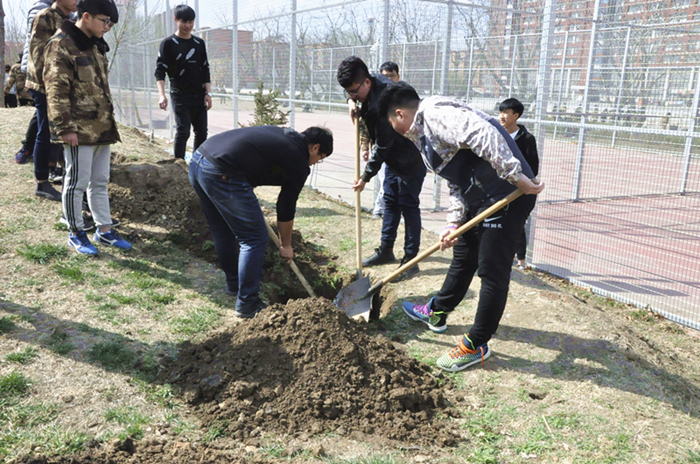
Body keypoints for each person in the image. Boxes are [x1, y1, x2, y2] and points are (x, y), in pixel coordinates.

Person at [380, 82, 544, 372]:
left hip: (507, 193)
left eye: (390, 122)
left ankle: (476, 344)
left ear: (399, 114)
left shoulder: (434, 113)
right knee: (464, 254)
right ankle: (438, 311)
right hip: (478, 198)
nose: (392, 128)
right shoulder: (422, 137)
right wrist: (454, 222)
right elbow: (455, 180)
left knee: (492, 270)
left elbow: (483, 132)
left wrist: (514, 175)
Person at [189, 126, 333, 318]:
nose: (316, 163)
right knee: (254, 238)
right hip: (222, 171)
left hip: (199, 160)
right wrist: (286, 245)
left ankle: (235, 285)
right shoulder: (298, 160)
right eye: (320, 158)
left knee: (222, 229)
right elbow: (286, 206)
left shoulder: (285, 135)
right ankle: (248, 303)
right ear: (315, 148)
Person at [44, 0, 130, 255]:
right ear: (87, 16)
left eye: (111, 23)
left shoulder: (95, 44)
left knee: (100, 181)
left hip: (100, 127)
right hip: (78, 130)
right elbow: (56, 90)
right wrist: (65, 127)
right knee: (76, 182)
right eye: (105, 21)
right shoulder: (61, 44)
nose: (108, 27)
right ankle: (76, 232)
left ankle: (104, 230)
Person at [337, 56, 426, 280]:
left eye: (354, 92)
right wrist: (351, 102)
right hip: (392, 161)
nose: (353, 96)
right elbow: (351, 90)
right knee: (390, 203)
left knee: (408, 206)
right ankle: (386, 250)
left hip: (410, 158)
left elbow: (384, 145)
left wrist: (366, 176)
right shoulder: (366, 82)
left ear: (367, 83)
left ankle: (410, 260)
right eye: (349, 93)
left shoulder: (385, 101)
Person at [25, 0, 78, 201]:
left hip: (60, 85)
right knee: (45, 129)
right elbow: (38, 55)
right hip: (44, 85)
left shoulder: (69, 20)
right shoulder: (45, 17)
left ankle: (53, 169)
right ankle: (41, 182)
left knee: (57, 129)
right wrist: (51, 87)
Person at [155, 4, 212, 159]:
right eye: (184, 22)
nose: (188, 26)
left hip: (198, 95)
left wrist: (208, 93)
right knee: (183, 130)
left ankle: (196, 165)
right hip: (179, 95)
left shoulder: (199, 44)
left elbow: (205, 68)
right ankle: (178, 165)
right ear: (176, 20)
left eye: (191, 22)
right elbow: (160, 71)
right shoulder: (168, 43)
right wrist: (162, 95)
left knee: (202, 132)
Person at [498, 98, 539, 270]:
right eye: (500, 112)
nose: (502, 116)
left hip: (519, 189)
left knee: (517, 223)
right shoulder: (496, 134)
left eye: (506, 112)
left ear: (516, 115)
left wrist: (518, 179)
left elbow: (533, 168)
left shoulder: (527, 138)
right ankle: (503, 255)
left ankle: (521, 260)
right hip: (498, 188)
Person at [365, 60, 402, 219]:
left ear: (398, 76)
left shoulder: (403, 95)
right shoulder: (374, 99)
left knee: (395, 184)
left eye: (391, 76)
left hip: (400, 149)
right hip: (381, 148)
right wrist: (364, 146)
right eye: (384, 76)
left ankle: (387, 211)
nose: (388, 80)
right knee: (385, 182)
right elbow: (366, 124)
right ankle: (380, 211)